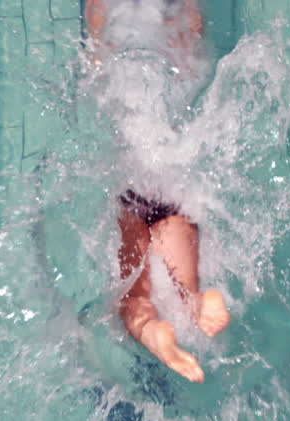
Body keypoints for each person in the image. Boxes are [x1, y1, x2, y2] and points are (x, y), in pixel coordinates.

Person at [85, 0, 231, 384]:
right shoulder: (181, 16)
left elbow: (96, 46)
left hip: (130, 185)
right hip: (173, 179)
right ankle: (200, 302)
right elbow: (194, 35)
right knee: (187, 284)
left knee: (133, 300)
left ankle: (153, 331)